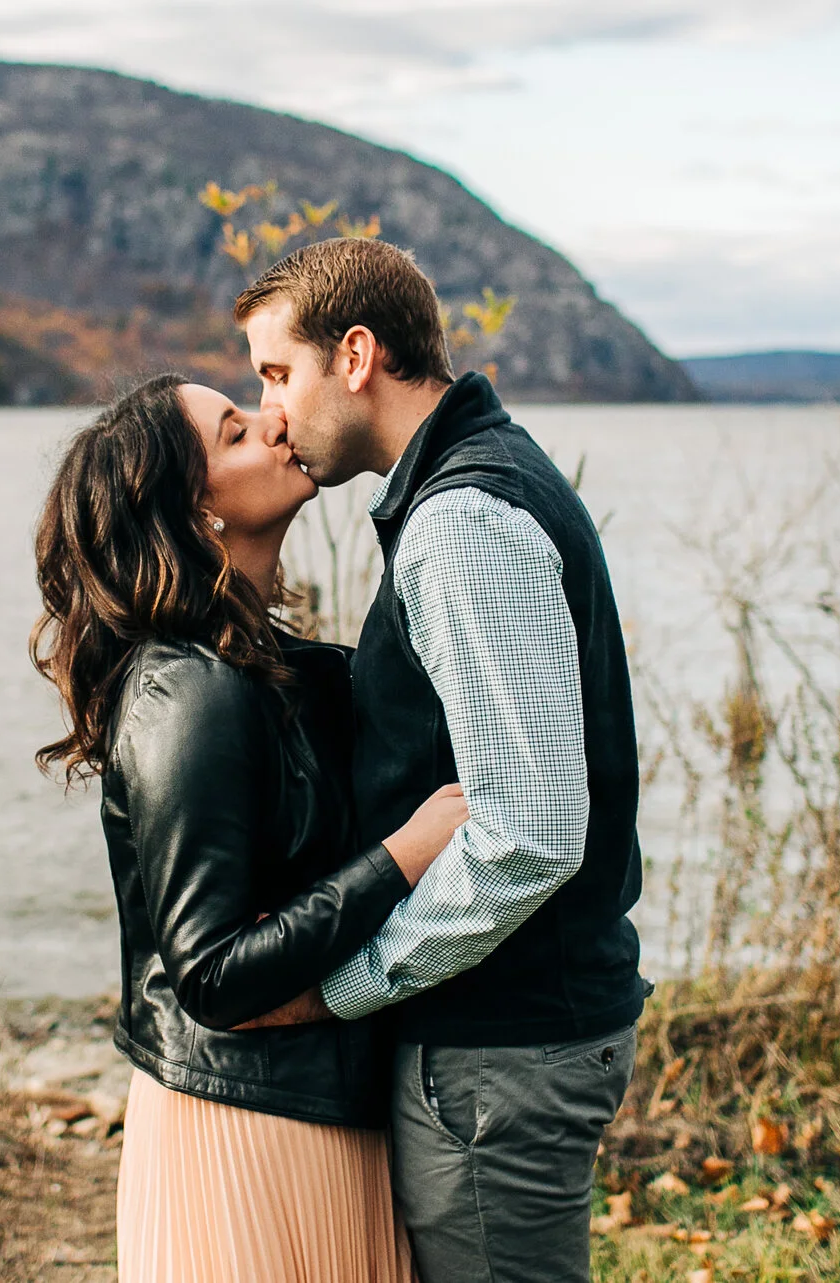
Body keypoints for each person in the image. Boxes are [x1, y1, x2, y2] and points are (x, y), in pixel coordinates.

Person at [237, 237, 649, 1283]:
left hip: (498, 1052)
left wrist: (343, 985)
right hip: (506, 1041)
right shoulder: (471, 483)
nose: (272, 410)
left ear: (357, 354)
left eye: (277, 373)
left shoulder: (461, 519)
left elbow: (526, 834)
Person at [31, 373, 470, 1283]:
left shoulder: (277, 670)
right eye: (235, 432)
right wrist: (407, 854)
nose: (275, 422)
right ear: (197, 513)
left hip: (317, 1110)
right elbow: (213, 972)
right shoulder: (186, 690)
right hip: (244, 1130)